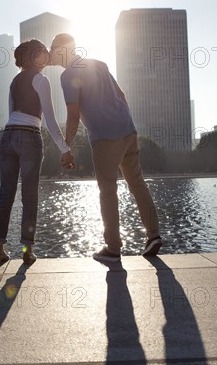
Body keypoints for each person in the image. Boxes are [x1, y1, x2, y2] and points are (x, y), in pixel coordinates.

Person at [49, 33, 162, 262]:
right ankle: (153, 235)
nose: (50, 54)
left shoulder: (68, 74)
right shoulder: (99, 64)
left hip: (105, 138)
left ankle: (113, 248)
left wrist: (65, 147)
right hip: (128, 131)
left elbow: (73, 115)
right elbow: (121, 95)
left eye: (52, 49)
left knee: (108, 191)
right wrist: (123, 121)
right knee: (137, 184)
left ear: (62, 50)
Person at [0, 39, 72, 266]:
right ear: (34, 57)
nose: (47, 55)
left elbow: (11, 115)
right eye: (42, 52)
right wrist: (65, 149)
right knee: (30, 196)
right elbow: (50, 121)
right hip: (29, 136)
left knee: (5, 194)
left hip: (8, 137)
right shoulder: (41, 80)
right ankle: (27, 250)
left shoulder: (14, 81)